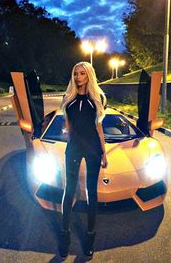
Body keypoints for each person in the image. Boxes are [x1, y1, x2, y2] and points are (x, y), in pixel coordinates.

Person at [59, 61, 108, 259]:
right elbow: (68, 127)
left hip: (93, 149)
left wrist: (104, 152)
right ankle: (65, 236)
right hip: (74, 148)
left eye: (82, 74)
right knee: (69, 191)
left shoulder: (97, 100)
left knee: (91, 192)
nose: (78, 77)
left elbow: (98, 128)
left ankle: (90, 237)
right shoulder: (68, 100)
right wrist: (66, 132)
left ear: (89, 76)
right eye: (75, 74)